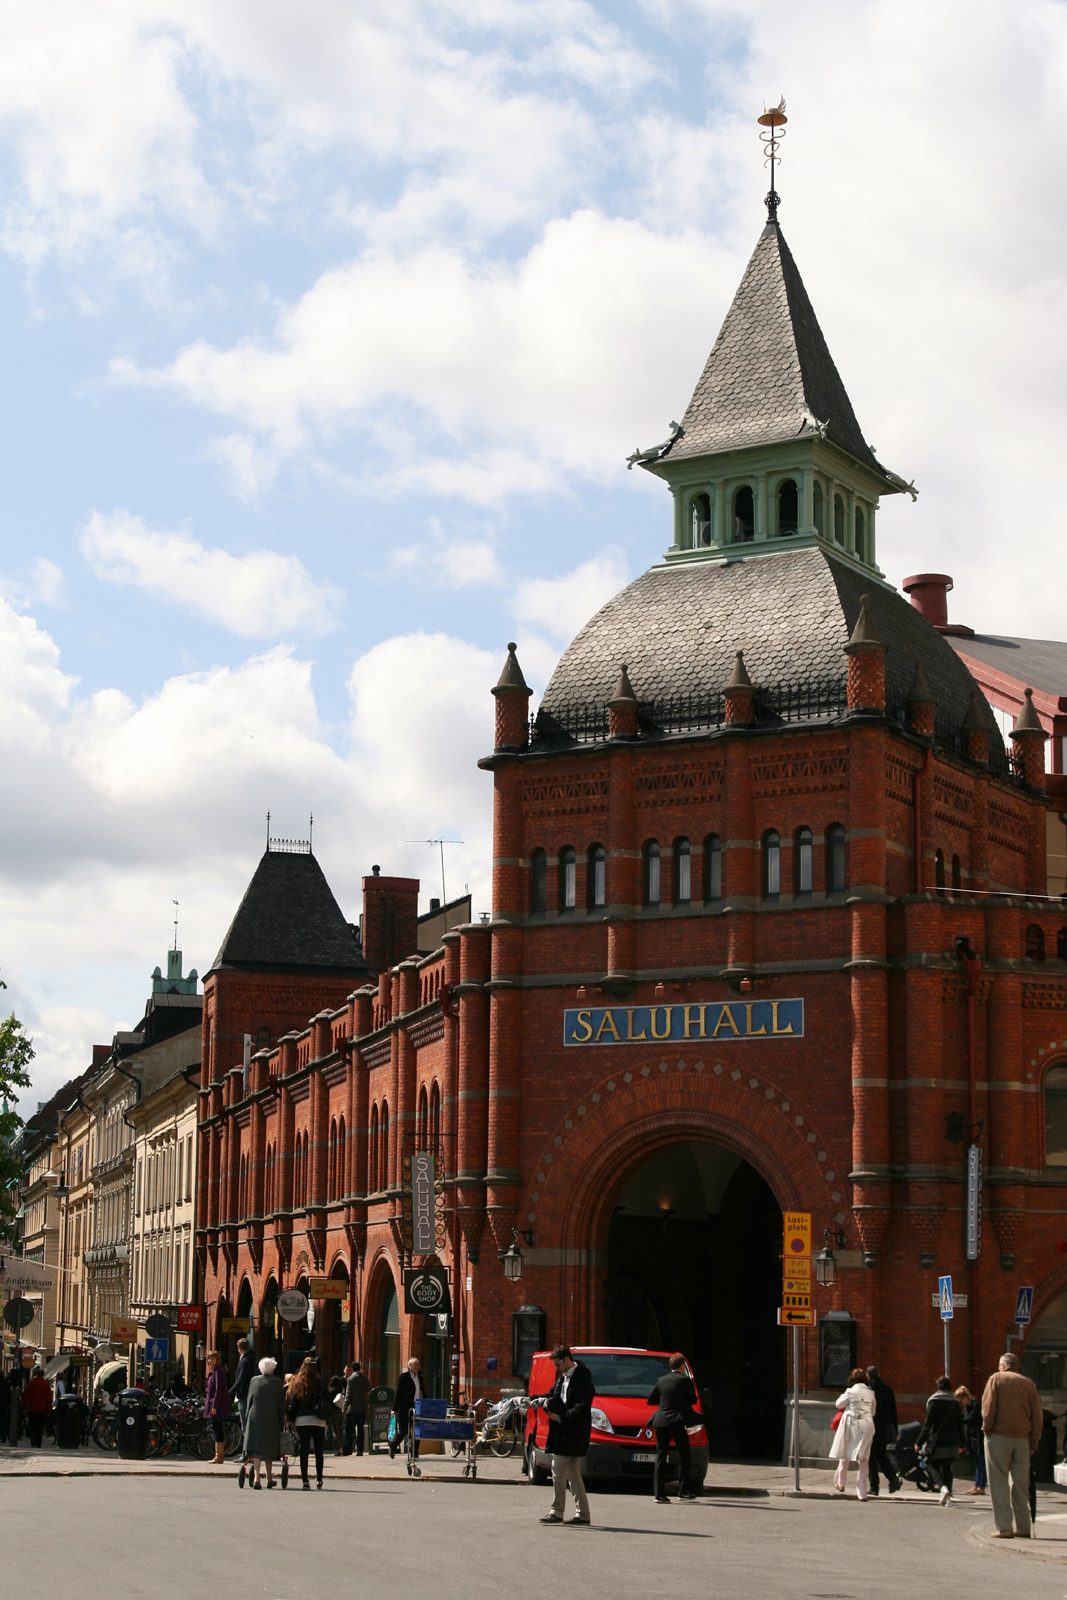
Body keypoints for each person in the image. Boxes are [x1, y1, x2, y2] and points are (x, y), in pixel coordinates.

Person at [982, 1351, 1042, 1539]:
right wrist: (1033, 1442)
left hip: (999, 1436)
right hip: (1023, 1440)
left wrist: (987, 1429)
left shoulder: (996, 1379)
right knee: (1020, 1484)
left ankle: (1004, 1527)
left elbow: (988, 1407)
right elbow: (1037, 1416)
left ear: (1003, 1365)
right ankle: (1023, 1527)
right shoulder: (1028, 1383)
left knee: (999, 1481)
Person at [535, 1345, 594, 1526]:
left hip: (575, 1431)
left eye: (558, 1364)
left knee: (558, 1467)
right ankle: (583, 1514)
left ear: (567, 1360)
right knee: (573, 1473)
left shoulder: (582, 1377)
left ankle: (557, 1511)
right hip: (564, 1431)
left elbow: (583, 1406)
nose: (556, 1368)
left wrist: (563, 1417)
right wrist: (538, 1400)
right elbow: (553, 1394)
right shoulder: (562, 1376)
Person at [645, 1353, 700, 1504]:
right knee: (685, 1455)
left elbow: (651, 1399)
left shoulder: (661, 1380)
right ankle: (683, 1491)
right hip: (677, 1421)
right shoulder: (685, 1380)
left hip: (661, 1421)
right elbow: (693, 1399)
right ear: (682, 1366)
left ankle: (658, 1494)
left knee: (660, 1456)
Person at [916, 1375, 965, 1506]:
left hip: (937, 1441)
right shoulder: (955, 1403)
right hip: (953, 1441)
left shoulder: (933, 1402)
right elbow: (960, 1425)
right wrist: (962, 1443)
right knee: (947, 1467)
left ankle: (943, 1489)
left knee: (932, 1465)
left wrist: (919, 1442)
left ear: (938, 1387)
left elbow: (928, 1425)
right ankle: (948, 1498)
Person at [829, 1367, 876, 1500]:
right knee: (863, 1459)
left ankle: (840, 1482)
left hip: (851, 1424)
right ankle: (862, 1493)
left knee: (845, 1453)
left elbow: (838, 1404)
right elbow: (873, 1411)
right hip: (867, 1425)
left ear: (853, 1379)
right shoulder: (871, 1393)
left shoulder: (850, 1391)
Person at [242, 1356, 285, 1489]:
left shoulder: (254, 1380)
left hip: (255, 1417)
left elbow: (249, 1400)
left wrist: (246, 1417)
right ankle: (269, 1477)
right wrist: (282, 1420)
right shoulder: (277, 1382)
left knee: (256, 1449)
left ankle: (256, 1478)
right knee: (269, 1448)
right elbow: (280, 1402)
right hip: (271, 1418)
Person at [287, 1356, 330, 1489]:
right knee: (319, 1451)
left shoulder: (297, 1381)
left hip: (302, 1420)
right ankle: (319, 1479)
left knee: (304, 1451)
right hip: (318, 1419)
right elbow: (327, 1401)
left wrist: (291, 1419)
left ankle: (305, 1481)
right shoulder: (320, 1382)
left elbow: (293, 1403)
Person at [865, 1365, 901, 1496]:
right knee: (881, 1455)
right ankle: (893, 1477)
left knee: (871, 1457)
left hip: (871, 1427)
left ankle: (874, 1487)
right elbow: (893, 1412)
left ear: (868, 1376)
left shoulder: (868, 1390)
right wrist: (895, 1430)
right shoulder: (887, 1390)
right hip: (884, 1429)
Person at [956, 1385, 986, 1494]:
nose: (961, 1402)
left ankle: (981, 1486)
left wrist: (959, 1421)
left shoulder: (975, 1405)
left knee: (980, 1463)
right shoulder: (967, 1407)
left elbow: (970, 1418)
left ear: (965, 1397)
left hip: (977, 1438)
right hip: (971, 1439)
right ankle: (976, 1485)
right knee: (977, 1463)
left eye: (961, 1400)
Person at [390, 1357, 422, 1461]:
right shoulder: (404, 1377)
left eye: (418, 1365)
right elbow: (398, 1393)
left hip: (417, 1406)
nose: (417, 1367)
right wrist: (394, 1408)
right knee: (403, 1430)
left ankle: (415, 1453)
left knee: (417, 1430)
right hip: (405, 1407)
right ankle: (393, 1445)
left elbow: (423, 1390)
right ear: (409, 1366)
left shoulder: (420, 1376)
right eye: (414, 1365)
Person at [203, 1350, 230, 1465]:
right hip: (212, 1404)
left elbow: (219, 1390)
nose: (210, 1361)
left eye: (212, 1358)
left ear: (217, 1360)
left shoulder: (219, 1371)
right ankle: (218, 1455)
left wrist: (214, 1406)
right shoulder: (213, 1371)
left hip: (217, 1406)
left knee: (217, 1429)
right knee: (216, 1428)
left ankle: (219, 1456)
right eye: (208, 1358)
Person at [21, 1366, 53, 1448]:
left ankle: (33, 1440)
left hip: (32, 1408)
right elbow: (49, 1398)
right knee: (40, 1426)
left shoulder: (32, 1383)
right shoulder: (46, 1384)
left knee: (32, 1425)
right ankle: (38, 1442)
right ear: (43, 1374)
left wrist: (24, 1406)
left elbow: (26, 1395)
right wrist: (49, 1410)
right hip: (42, 1409)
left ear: (36, 1374)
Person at [343, 1361, 370, 1456]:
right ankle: (360, 1450)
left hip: (352, 1408)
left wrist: (344, 1407)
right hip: (362, 1407)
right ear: (360, 1368)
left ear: (353, 1369)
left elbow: (348, 1394)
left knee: (349, 1428)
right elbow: (367, 1390)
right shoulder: (365, 1378)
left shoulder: (350, 1379)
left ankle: (349, 1449)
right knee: (360, 1429)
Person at [232, 1338, 256, 1434]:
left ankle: (247, 1442)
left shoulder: (245, 1361)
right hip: (249, 1394)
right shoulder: (250, 1359)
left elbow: (241, 1379)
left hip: (244, 1395)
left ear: (239, 1348)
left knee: (245, 1425)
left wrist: (230, 1392)